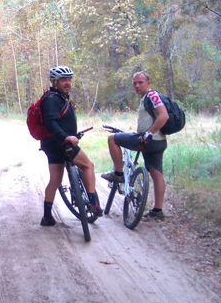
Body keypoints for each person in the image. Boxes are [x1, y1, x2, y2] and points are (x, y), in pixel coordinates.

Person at [102, 72, 170, 220]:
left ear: (148, 83)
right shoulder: (146, 97)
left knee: (112, 139)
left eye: (140, 82)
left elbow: (164, 115)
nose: (137, 86)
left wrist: (149, 133)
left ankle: (118, 174)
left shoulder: (152, 96)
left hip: (149, 140)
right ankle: (157, 211)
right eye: (134, 83)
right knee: (156, 174)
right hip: (159, 142)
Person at [39, 66, 101, 226]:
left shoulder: (60, 97)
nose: (67, 83)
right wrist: (66, 137)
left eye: (69, 80)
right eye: (63, 80)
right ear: (54, 82)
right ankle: (93, 202)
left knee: (55, 180)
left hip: (52, 144)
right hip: (61, 144)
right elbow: (50, 123)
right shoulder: (52, 99)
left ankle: (47, 217)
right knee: (88, 165)